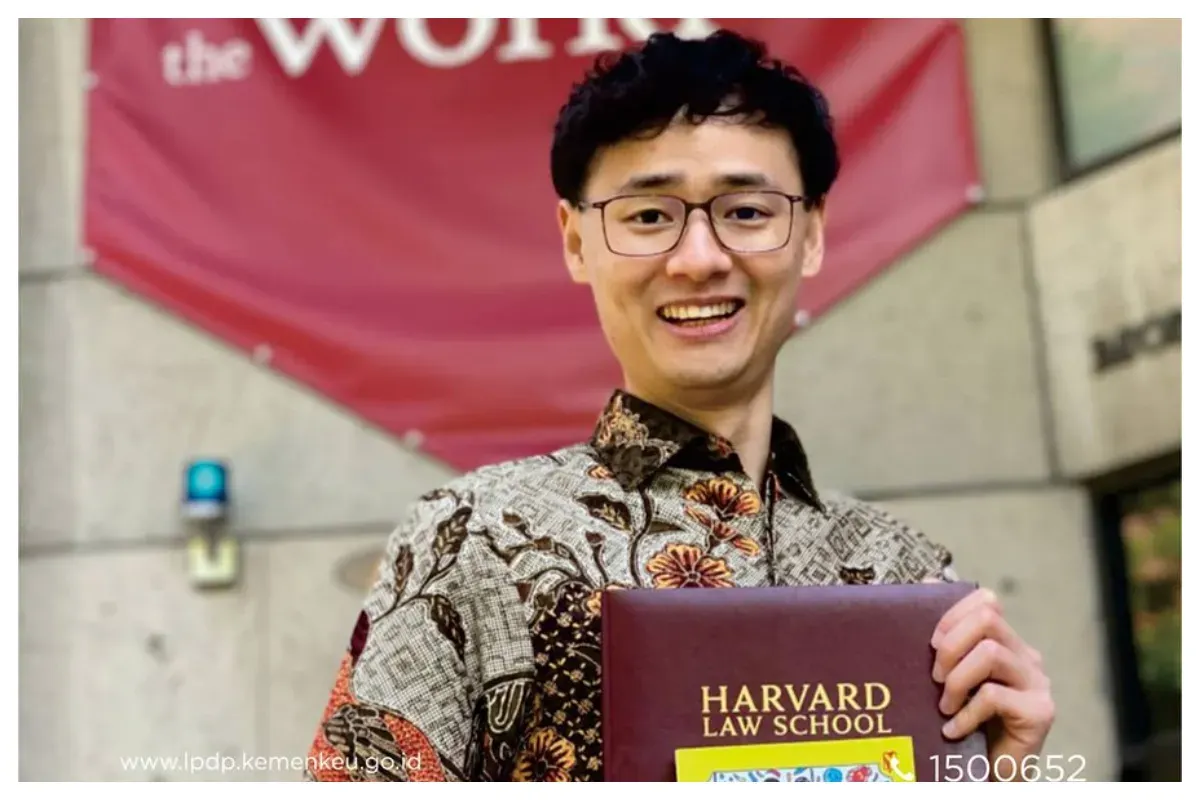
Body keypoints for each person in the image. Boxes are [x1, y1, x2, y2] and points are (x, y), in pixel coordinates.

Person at [303, 28, 1054, 782]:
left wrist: (1004, 775)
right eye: (649, 217)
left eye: (747, 212)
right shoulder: (474, 539)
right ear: (576, 241)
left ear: (811, 233)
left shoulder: (908, 574)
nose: (699, 259)